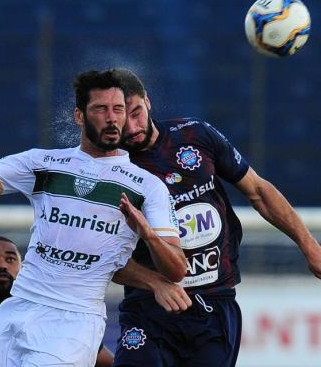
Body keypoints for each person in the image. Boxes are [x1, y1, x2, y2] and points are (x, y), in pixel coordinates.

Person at [0, 69, 187, 367]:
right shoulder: (43, 164)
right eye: (100, 109)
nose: (112, 118)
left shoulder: (147, 186)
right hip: (17, 309)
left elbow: (177, 268)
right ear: (80, 116)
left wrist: (148, 234)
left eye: (118, 109)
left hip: (73, 320)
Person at [110, 69, 321, 367]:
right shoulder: (109, 169)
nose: (131, 127)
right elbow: (97, 254)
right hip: (149, 308)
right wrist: (155, 282)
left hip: (214, 302)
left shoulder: (195, 135)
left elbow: (258, 191)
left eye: (137, 113)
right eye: (122, 120)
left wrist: (309, 245)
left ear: (148, 102)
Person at [0, 236, 114, 367]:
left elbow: (107, 361)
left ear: (24, 270)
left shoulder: (53, 317)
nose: (1, 265)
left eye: (10, 259)